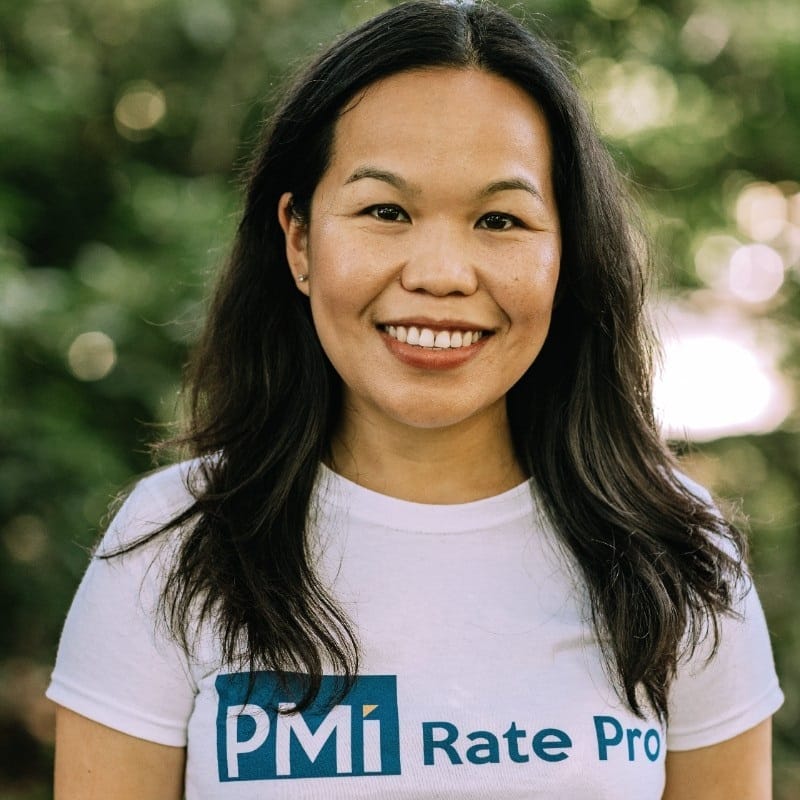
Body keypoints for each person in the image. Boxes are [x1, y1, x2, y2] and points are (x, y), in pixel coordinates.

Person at [47, 1, 783, 797]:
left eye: (500, 219)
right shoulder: (172, 545)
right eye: (385, 211)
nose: (441, 273)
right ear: (298, 239)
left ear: (566, 250)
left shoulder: (678, 558)